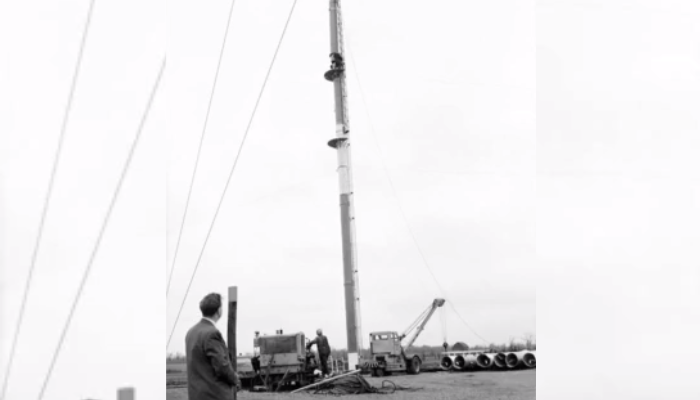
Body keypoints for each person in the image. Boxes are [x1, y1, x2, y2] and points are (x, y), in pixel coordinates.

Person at [186, 293, 240, 400]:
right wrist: (235, 379)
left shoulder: (191, 332)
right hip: (215, 395)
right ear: (219, 310)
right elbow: (222, 367)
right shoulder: (212, 333)